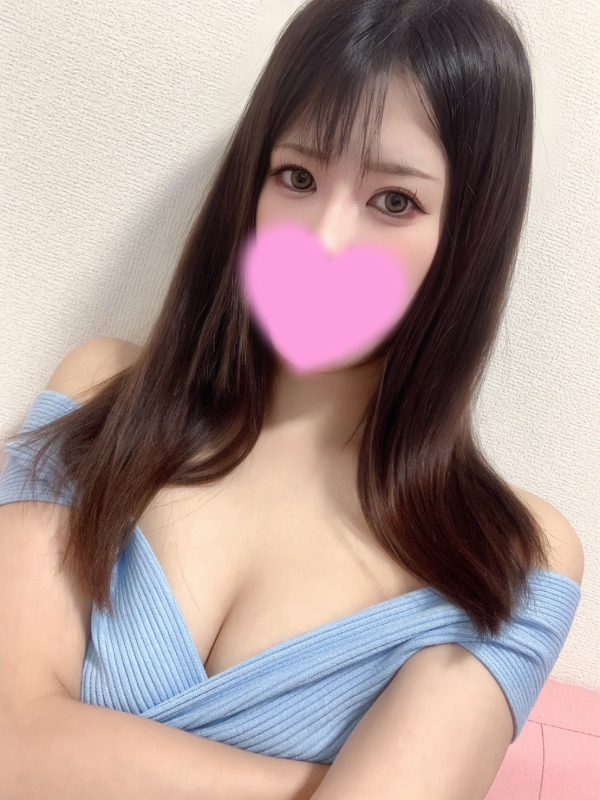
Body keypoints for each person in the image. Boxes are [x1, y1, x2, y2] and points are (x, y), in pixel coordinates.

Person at [1, 0, 584, 798]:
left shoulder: (509, 554)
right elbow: (9, 741)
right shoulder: (100, 395)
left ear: (468, 237)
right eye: (298, 178)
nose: (325, 240)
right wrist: (320, 784)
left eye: (395, 200)